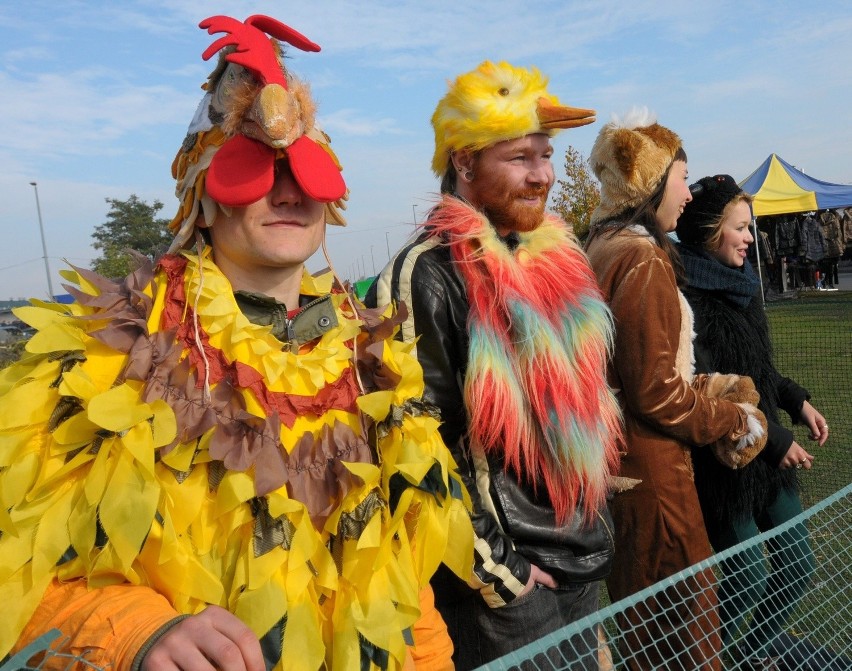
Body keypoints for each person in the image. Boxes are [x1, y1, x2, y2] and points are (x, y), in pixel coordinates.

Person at [0, 14, 473, 671]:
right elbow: (15, 570)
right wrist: (133, 634)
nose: (287, 190)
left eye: (302, 169)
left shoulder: (376, 360)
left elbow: (406, 587)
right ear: (205, 189)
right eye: (257, 168)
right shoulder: (106, 354)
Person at [367, 60, 624, 670]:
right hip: (508, 593)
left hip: (581, 558)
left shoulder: (554, 259)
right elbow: (417, 446)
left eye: (546, 155)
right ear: (464, 162)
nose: (544, 176)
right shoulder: (424, 273)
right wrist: (501, 574)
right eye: (521, 158)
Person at [583, 109, 769, 671]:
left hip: (624, 468)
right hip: (658, 477)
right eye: (681, 179)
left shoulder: (605, 247)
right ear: (650, 182)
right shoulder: (640, 258)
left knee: (647, 632)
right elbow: (656, 393)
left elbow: (636, 370)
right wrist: (735, 419)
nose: (687, 195)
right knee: (687, 633)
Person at [676, 174, 843, 670]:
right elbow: (711, 392)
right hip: (726, 467)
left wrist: (797, 401)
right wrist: (775, 443)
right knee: (745, 576)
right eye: (741, 228)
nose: (751, 238)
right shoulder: (687, 302)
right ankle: (710, 662)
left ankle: (744, 660)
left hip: (770, 459)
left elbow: (761, 370)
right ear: (710, 232)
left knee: (798, 568)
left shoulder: (746, 288)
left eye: (750, 228)